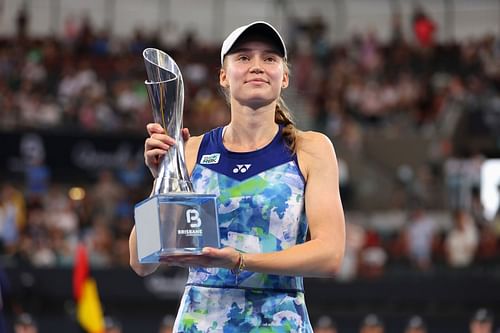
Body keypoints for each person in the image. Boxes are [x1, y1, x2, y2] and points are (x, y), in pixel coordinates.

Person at [129, 20, 346, 332]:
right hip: (200, 321)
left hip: (279, 321)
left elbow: (330, 254)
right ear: (223, 75)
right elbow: (142, 262)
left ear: (284, 77)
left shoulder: (311, 148)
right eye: (243, 58)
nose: (256, 66)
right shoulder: (191, 150)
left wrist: (240, 260)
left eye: (269, 58)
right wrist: (161, 183)